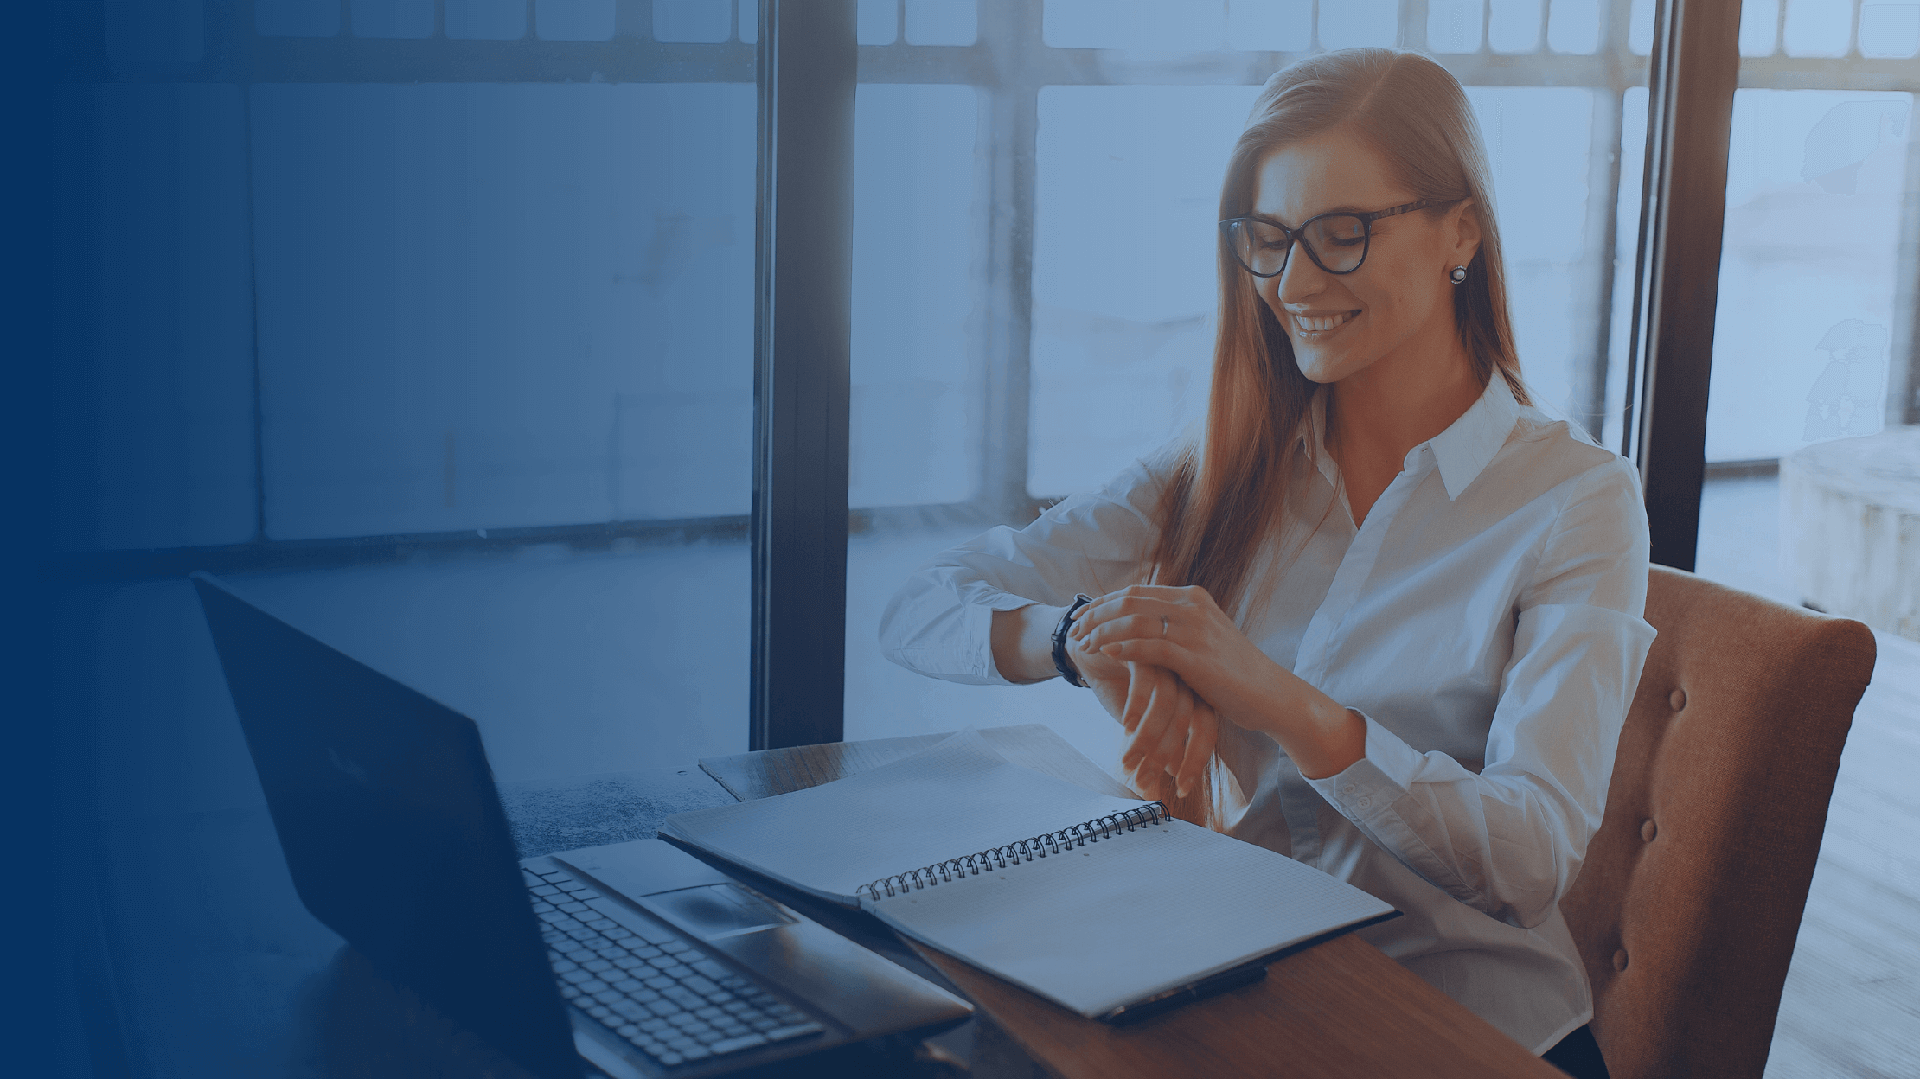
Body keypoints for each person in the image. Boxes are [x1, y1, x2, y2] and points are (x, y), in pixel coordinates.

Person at [878, 48, 1649, 1079]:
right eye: (1271, 239)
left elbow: (1531, 855)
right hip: (1251, 983)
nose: (1293, 284)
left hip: (1471, 1029)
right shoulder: (1225, 463)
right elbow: (921, 604)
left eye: (1342, 234)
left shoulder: (1576, 500)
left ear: (1460, 228)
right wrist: (1078, 639)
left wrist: (1281, 699)